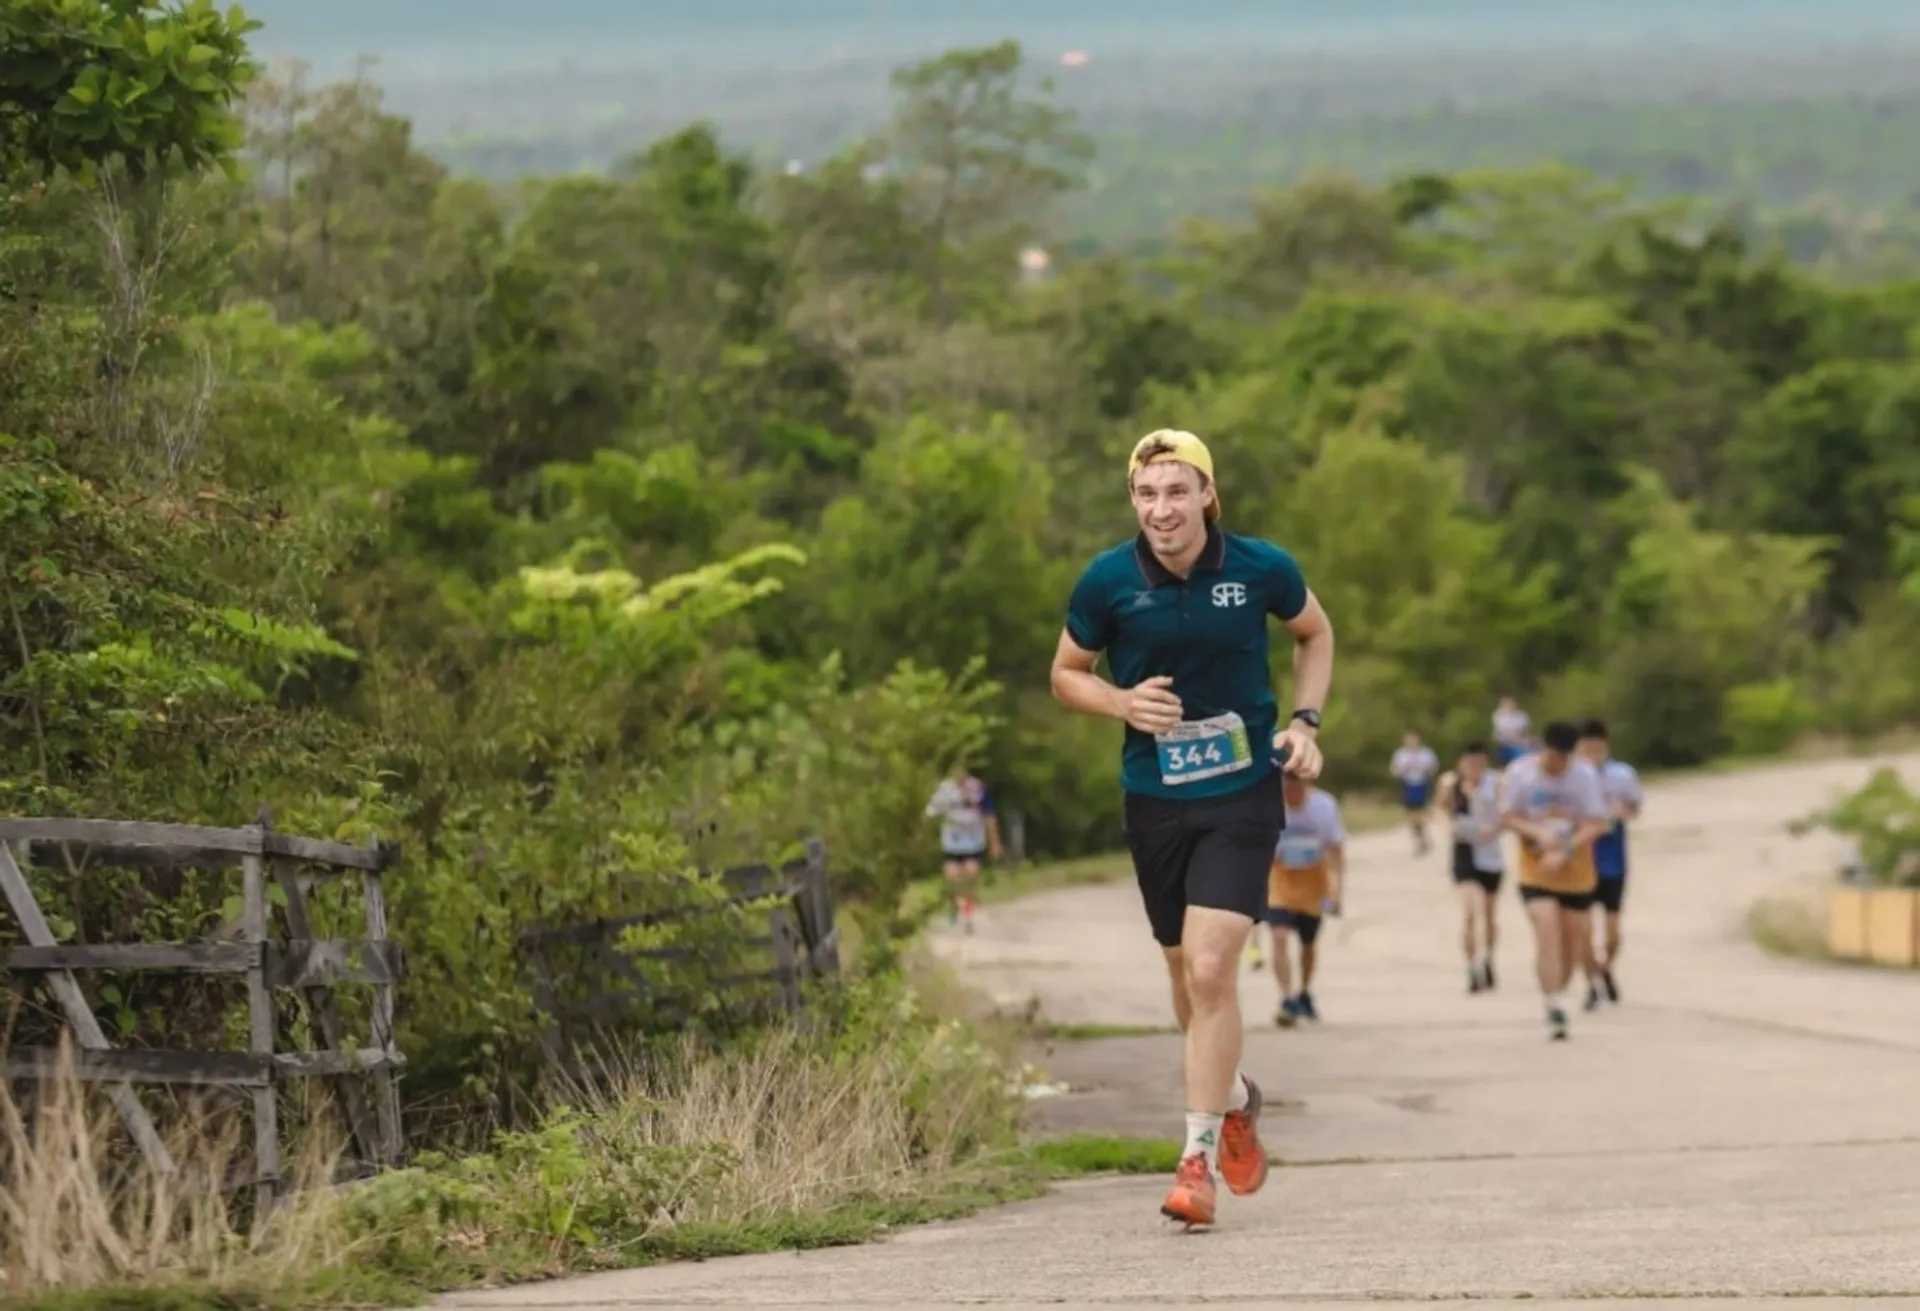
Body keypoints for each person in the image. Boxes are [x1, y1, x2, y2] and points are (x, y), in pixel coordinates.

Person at [1050, 427, 1335, 1230]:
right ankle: (1237, 1095)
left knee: (1213, 972)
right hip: (1156, 796)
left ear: (1208, 494)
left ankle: (1195, 1163)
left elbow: (1315, 632)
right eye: (1147, 494)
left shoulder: (1260, 567)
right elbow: (1066, 674)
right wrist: (1121, 701)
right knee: (1185, 979)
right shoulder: (1108, 580)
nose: (1162, 509)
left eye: (1178, 491)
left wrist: (1307, 722)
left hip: (1243, 791)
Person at [1499, 720, 1609, 1041]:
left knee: (1572, 942)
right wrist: (1538, 833)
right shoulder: (1520, 773)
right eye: (1552, 758)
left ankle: (1558, 990)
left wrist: (1567, 849)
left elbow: (1598, 822)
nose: (1557, 765)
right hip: (1536, 868)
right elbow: (1507, 816)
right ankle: (1553, 1004)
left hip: (1575, 870)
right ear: (1542, 751)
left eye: (1564, 759)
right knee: (1546, 928)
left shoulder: (1584, 776)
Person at [1266, 773, 1347, 1026]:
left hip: (1314, 883)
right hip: (1280, 883)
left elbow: (1336, 851)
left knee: (1308, 944)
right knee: (1278, 937)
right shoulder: (1269, 806)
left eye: (1296, 789)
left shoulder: (1323, 806)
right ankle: (1286, 996)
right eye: (1285, 789)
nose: (1291, 795)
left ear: (1306, 786)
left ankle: (1304, 991)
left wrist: (1337, 893)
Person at [1576, 719, 1644, 1009]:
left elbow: (1635, 808)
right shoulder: (1571, 777)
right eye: (1588, 748)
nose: (1593, 753)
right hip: (1581, 860)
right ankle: (1590, 984)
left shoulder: (1622, 774)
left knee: (1613, 930)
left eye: (1598, 748)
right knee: (1584, 929)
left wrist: (1622, 812)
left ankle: (1605, 967)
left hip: (1613, 858)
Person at [1436, 741, 1504, 994]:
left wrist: (1494, 829)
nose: (1474, 769)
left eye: (1479, 764)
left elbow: (1508, 814)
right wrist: (1450, 827)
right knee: (1469, 912)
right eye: (1469, 764)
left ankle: (1488, 958)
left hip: (1490, 854)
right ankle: (1471, 965)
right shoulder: (1450, 784)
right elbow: (1440, 809)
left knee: (1489, 914)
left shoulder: (1496, 784)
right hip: (1464, 852)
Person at [925, 765, 1003, 934]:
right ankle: (953, 904)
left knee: (970, 875)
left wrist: (994, 842)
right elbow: (930, 812)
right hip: (952, 842)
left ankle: (968, 917)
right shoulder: (944, 790)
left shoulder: (978, 789)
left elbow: (989, 816)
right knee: (952, 878)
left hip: (973, 842)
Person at [1389, 730, 1439, 856]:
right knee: (1411, 815)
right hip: (1408, 783)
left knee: (1420, 813)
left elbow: (1433, 768)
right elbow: (1395, 770)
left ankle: (1423, 837)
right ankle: (1419, 839)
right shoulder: (1400, 755)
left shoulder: (1426, 754)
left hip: (1421, 783)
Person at [1492, 695, 1531, 767]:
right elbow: (1502, 731)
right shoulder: (1498, 716)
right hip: (1504, 743)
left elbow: (1524, 731)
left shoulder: (1521, 716)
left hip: (1519, 742)